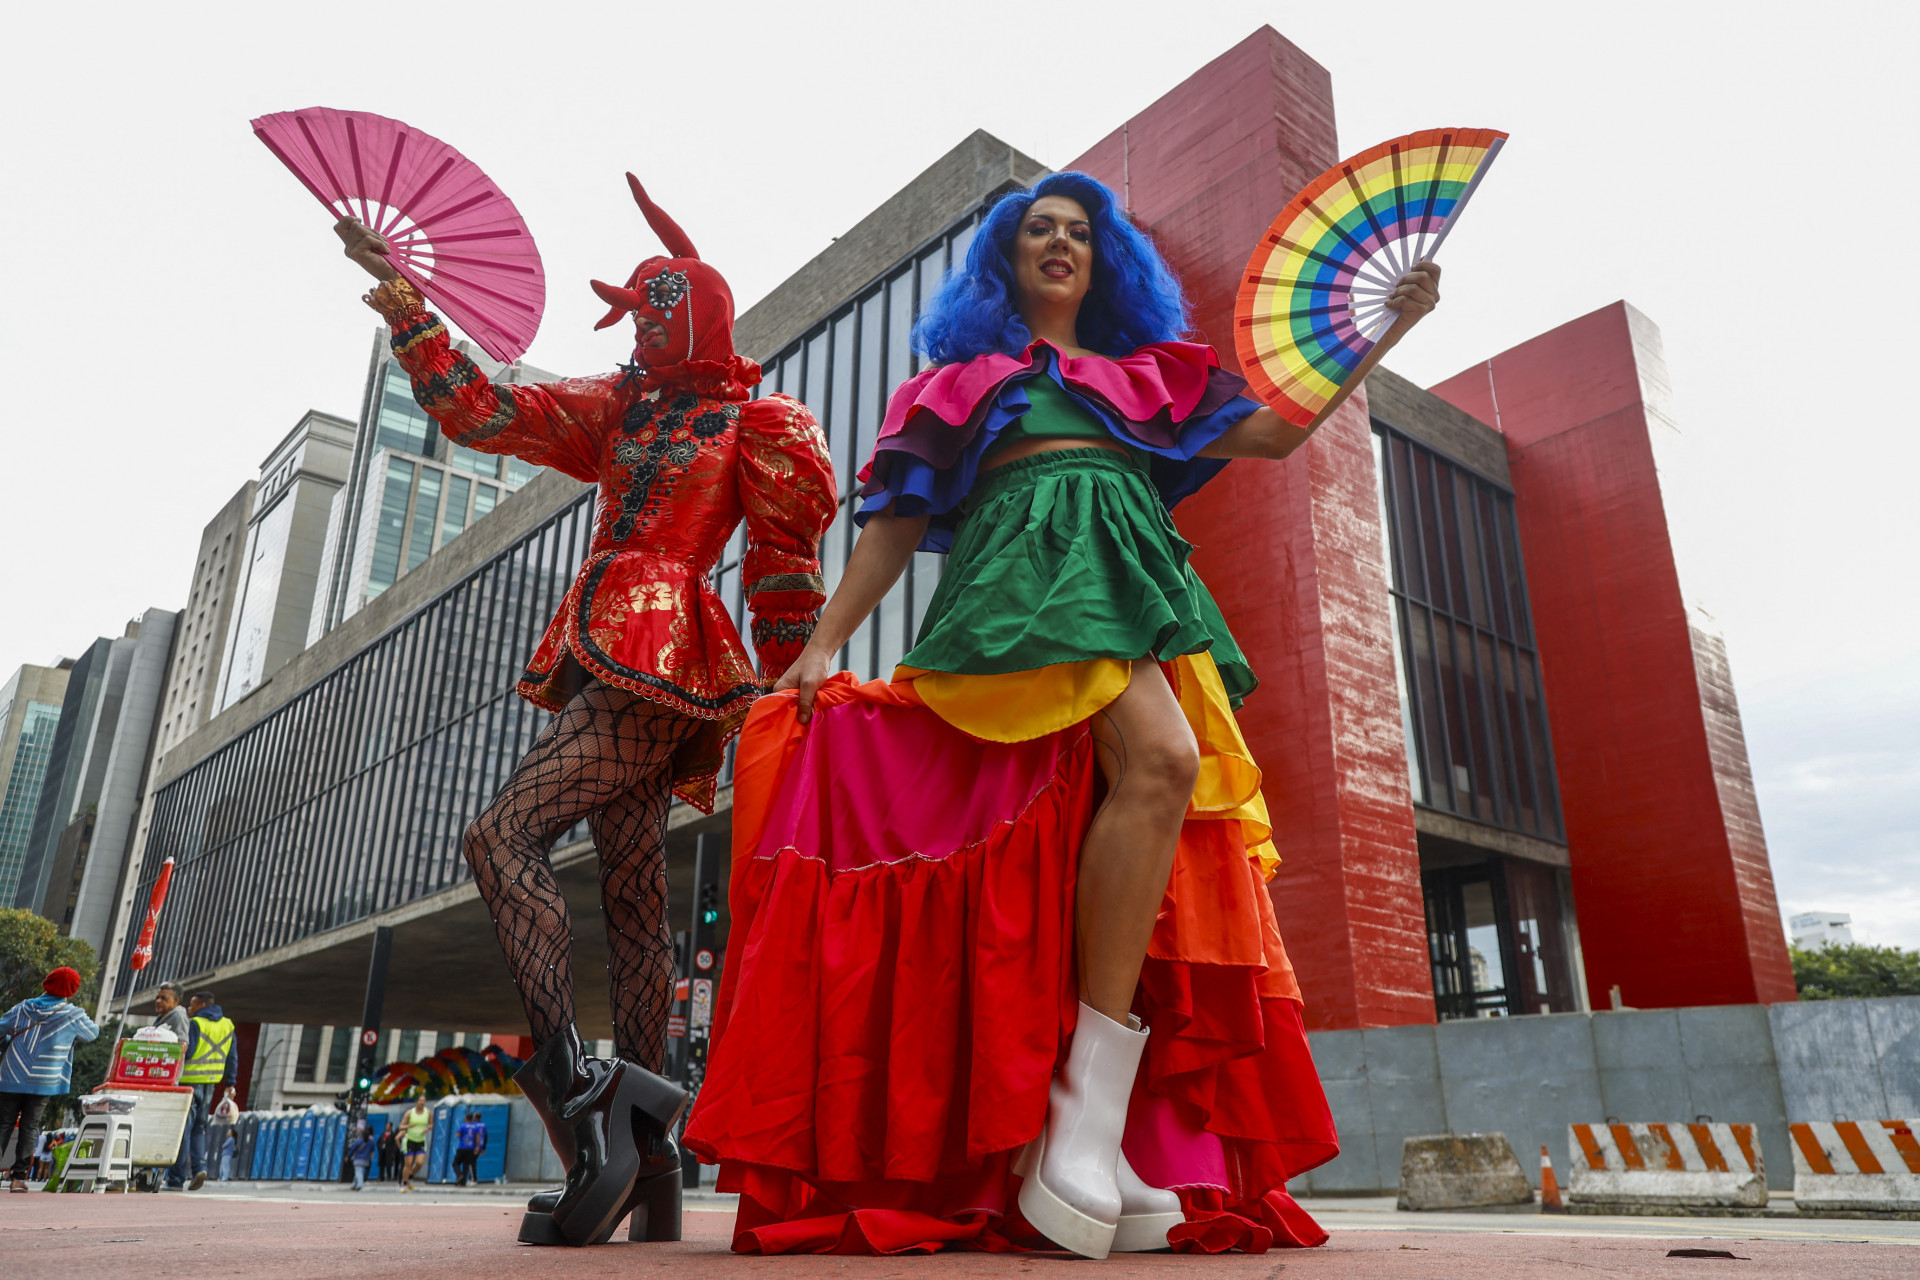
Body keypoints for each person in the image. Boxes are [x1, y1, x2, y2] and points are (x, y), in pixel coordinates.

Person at [685, 172, 1440, 1257]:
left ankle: (1091, 1124)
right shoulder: (957, 383)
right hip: (1020, 592)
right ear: (1004, 261)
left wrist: (1383, 326)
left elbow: (1273, 438)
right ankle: (1077, 1121)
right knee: (1161, 767)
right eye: (1037, 228)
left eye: (1078, 232)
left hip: (1129, 589)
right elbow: (893, 530)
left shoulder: (1147, 376)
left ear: (1104, 260)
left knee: (1125, 812)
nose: (1058, 242)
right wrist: (820, 646)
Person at [331, 170, 835, 1248]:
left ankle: (583, 1101)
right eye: (635, 312)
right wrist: (404, 299)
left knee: (500, 832)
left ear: (696, 312)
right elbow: (485, 409)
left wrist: (809, 687)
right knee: (636, 894)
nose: (637, 328)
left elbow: (784, 571)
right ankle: (647, 1163)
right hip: (615, 650)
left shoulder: (759, 420)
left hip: (670, 650)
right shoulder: (620, 407)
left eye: (657, 309)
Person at [1, 967, 99, 1192]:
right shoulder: (72, 1015)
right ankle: (18, 1179)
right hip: (43, 1080)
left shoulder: (23, 1007)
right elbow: (92, 1033)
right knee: (29, 1126)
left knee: (3, 1124)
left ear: (47, 983)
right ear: (72, 990)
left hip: (12, 1075)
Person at [169, 991, 236, 1191]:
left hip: (189, 1082)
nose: (189, 1010)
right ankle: (199, 1168)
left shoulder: (196, 1023)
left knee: (183, 1130)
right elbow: (233, 1056)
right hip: (211, 1083)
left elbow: (188, 1052)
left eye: (191, 1005)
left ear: (200, 1005)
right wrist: (230, 1082)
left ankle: (176, 1179)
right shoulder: (227, 1025)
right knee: (200, 1129)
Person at [398, 1097, 432, 1192]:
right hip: (410, 1140)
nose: (422, 1103)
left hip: (421, 1140)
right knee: (408, 1164)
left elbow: (431, 1124)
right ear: (416, 1102)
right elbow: (401, 1126)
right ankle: (404, 1183)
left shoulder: (428, 1112)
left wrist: (428, 1128)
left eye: (424, 1101)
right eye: (420, 1101)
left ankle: (410, 1175)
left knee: (419, 1162)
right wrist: (409, 1125)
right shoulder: (409, 1113)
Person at [453, 1110, 488, 1186]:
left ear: (466, 1118)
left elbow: (457, 1135)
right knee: (467, 1164)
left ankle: (460, 1175)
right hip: (471, 1148)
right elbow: (478, 1138)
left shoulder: (463, 1126)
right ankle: (463, 1182)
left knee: (455, 1163)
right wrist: (478, 1147)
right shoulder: (476, 1127)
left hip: (462, 1147)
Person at [347, 1122, 377, 1192]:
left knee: (358, 1172)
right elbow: (373, 1149)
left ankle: (360, 1185)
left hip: (358, 1159)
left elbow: (353, 1149)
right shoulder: (371, 1142)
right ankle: (353, 1185)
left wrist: (348, 1156)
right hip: (366, 1159)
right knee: (358, 1172)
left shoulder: (359, 1141)